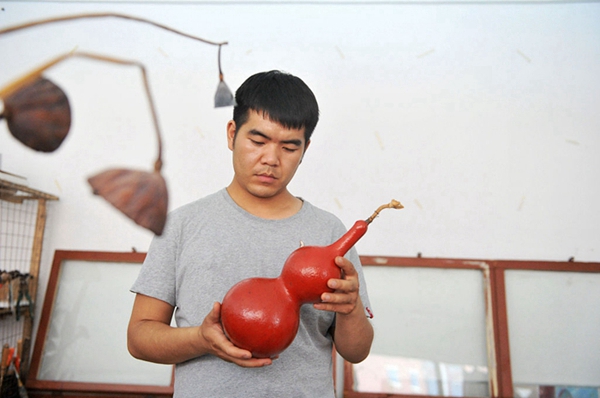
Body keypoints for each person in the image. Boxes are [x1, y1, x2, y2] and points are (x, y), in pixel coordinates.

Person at [127, 70, 374, 397]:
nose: (270, 159)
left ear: (305, 149)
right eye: (257, 141)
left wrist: (352, 307)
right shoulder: (180, 225)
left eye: (289, 147)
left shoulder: (328, 232)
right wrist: (201, 339)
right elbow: (139, 339)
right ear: (232, 134)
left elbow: (356, 351)